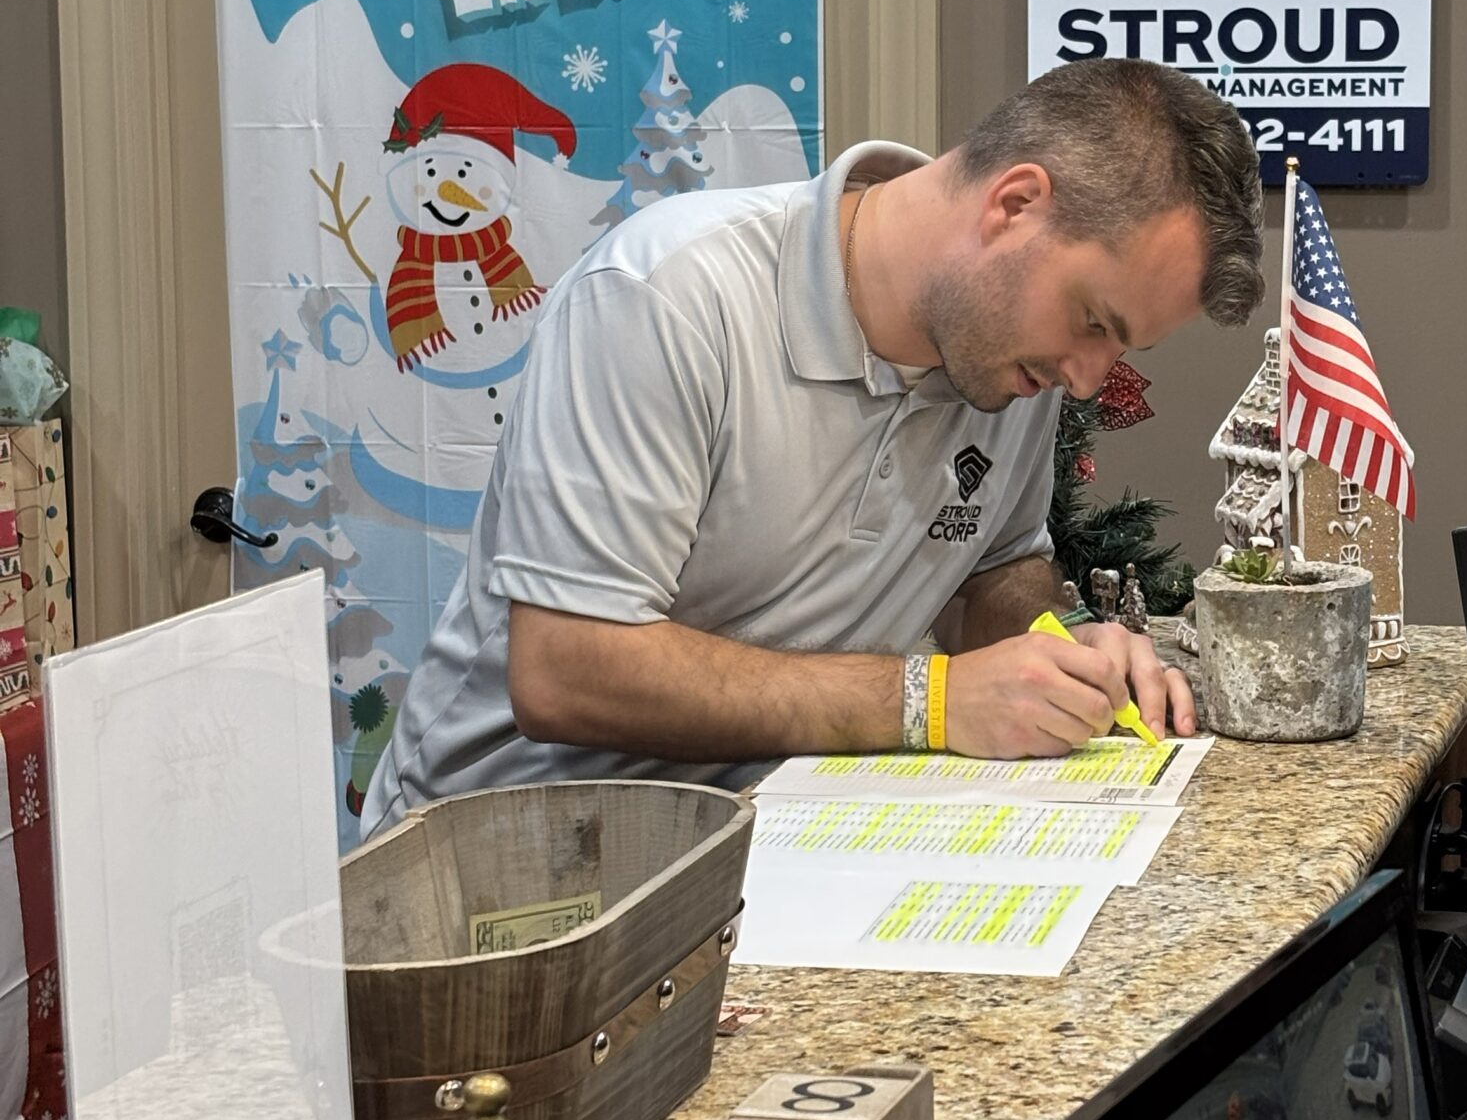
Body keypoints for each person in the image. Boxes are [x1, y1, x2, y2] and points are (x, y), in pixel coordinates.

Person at [362, 59, 1264, 829]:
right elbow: (567, 670)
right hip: (509, 851)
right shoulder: (666, 296)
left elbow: (993, 569)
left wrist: (1061, 654)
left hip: (780, 828)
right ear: (1015, 204)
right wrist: (930, 701)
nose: (1087, 378)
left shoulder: (1006, 359)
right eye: (1093, 321)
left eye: (1120, 348)